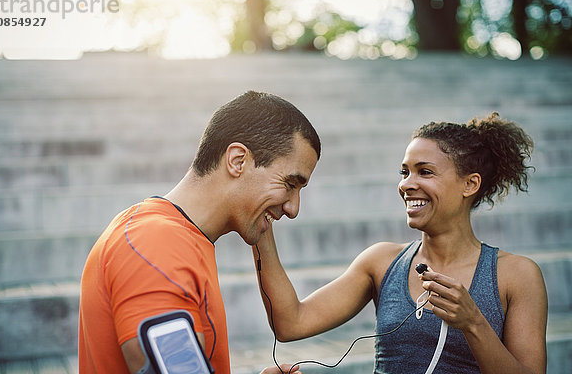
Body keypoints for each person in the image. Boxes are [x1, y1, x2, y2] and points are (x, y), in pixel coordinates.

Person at [254, 112, 547, 374]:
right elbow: (290, 323)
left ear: (469, 184)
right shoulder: (381, 262)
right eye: (405, 172)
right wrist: (261, 222)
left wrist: (473, 323)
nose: (407, 184)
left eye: (425, 171)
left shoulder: (517, 276)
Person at [78, 90, 321, 374]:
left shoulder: (171, 238)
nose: (293, 209)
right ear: (238, 160)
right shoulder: (156, 244)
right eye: (290, 184)